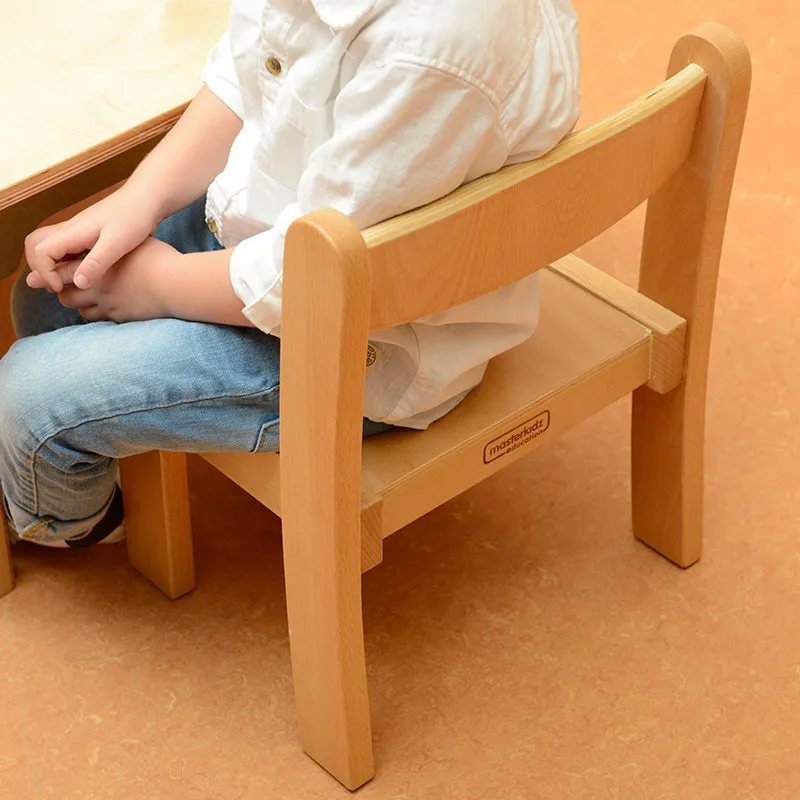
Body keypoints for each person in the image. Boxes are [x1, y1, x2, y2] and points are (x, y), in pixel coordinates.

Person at [0, 0, 581, 547]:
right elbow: (243, 70)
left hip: (371, 341)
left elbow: (322, 276)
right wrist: (137, 200)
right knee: (44, 299)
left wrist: (160, 284)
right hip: (291, 229)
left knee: (25, 401)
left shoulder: (433, 47)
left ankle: (78, 524)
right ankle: (114, 427)